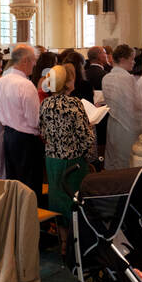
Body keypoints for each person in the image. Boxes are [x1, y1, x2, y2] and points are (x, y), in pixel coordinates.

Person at [39, 63, 95, 219]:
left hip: (52, 159)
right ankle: (74, 239)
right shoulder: (74, 103)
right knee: (74, 199)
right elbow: (86, 138)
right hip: (73, 161)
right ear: (66, 83)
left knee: (57, 198)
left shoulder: (45, 103)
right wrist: (91, 127)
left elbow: (43, 131)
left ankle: (62, 238)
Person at [0, 43, 45, 195]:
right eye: (33, 60)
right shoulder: (25, 85)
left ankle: (17, 216)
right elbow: (34, 121)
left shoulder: (2, 80)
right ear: (24, 61)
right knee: (30, 185)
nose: (35, 64)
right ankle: (30, 217)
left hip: (9, 136)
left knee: (14, 182)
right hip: (26, 141)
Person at [101, 44, 142, 170]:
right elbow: (137, 105)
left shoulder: (106, 77)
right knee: (126, 160)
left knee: (114, 157)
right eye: (132, 58)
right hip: (128, 126)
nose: (134, 62)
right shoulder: (127, 78)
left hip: (113, 124)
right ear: (123, 59)